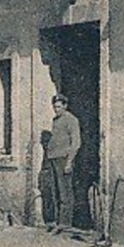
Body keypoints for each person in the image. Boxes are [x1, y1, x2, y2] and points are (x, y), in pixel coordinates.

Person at [40, 94, 81, 234]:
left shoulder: (71, 120)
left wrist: (69, 162)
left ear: (65, 106)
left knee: (65, 193)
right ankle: (57, 221)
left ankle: (65, 223)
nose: (56, 109)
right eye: (54, 107)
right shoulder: (56, 120)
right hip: (54, 159)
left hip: (64, 159)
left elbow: (76, 143)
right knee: (55, 191)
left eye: (59, 107)